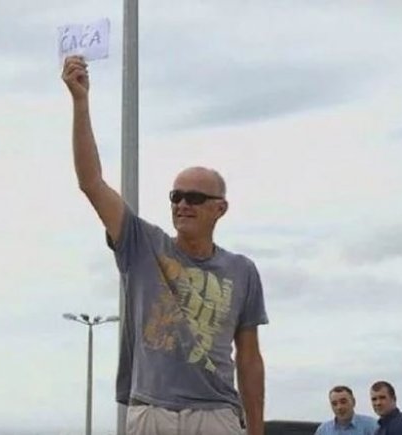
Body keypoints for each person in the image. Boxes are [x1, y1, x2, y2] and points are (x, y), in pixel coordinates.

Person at [61, 55, 268, 435]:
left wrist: (256, 430)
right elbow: (91, 183)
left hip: (216, 414)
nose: (183, 204)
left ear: (220, 209)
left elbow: (250, 358)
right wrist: (80, 102)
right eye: (176, 196)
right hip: (151, 411)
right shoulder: (142, 244)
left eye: (195, 197)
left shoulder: (243, 271)